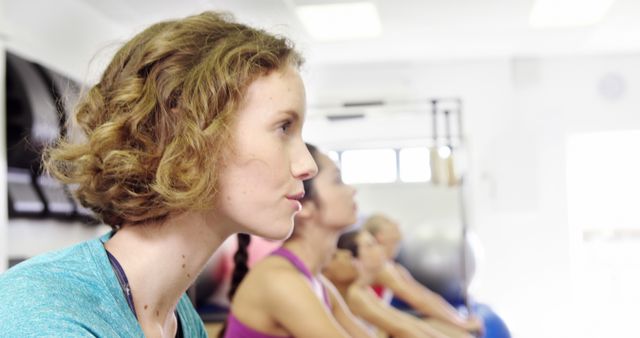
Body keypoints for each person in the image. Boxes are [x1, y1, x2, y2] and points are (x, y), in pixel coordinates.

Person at [0, 11, 317, 337]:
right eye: (283, 128)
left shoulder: (181, 320)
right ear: (187, 131)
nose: (308, 165)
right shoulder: (44, 311)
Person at [220, 144, 374, 338]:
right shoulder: (280, 280)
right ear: (305, 205)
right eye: (337, 181)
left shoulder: (318, 283)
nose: (352, 190)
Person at [324, 229, 473, 338]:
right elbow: (404, 320)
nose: (381, 249)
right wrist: (461, 323)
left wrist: (460, 322)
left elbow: (416, 303)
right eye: (371, 245)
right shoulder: (354, 293)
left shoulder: (366, 287)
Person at [362, 214, 484, 336]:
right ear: (380, 236)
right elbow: (419, 301)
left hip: (382, 325)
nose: (397, 224)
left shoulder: (395, 268)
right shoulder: (379, 268)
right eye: (389, 222)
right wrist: (462, 324)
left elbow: (426, 296)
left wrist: (460, 320)